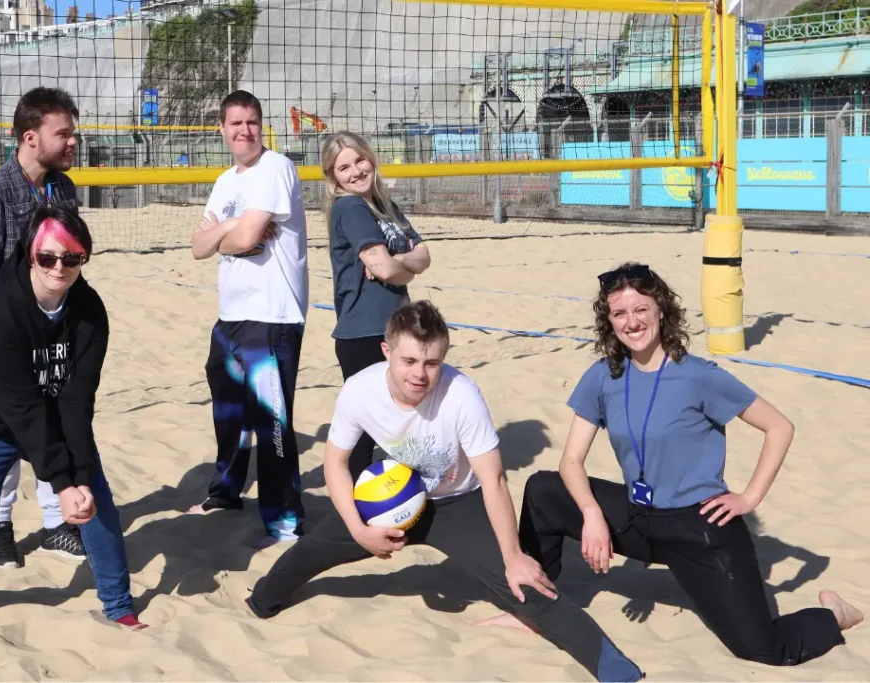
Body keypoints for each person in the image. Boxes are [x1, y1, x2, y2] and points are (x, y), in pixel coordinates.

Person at [479, 262, 863, 666]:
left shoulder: (699, 376)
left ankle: (834, 614)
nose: (631, 322)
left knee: (761, 648)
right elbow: (571, 461)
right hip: (635, 516)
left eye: (640, 309)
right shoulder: (603, 376)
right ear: (609, 321)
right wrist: (591, 514)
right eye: (619, 313)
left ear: (661, 310)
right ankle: (535, 611)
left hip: (697, 527)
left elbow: (779, 428)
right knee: (544, 491)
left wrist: (749, 498)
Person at [245, 301, 645, 683]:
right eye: (409, 361)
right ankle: (260, 602)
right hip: (392, 497)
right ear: (386, 351)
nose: (419, 374)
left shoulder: (461, 394)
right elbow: (335, 463)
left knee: (524, 584)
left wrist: (513, 556)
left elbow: (494, 480)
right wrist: (358, 529)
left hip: (458, 503)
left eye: (432, 363)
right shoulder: (359, 389)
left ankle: (616, 668)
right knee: (308, 553)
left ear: (444, 357)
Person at [0, 207, 145, 632]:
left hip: (51, 419)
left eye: (72, 258)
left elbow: (77, 400)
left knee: (96, 508)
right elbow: (20, 406)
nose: (59, 267)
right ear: (29, 254)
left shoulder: (89, 309)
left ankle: (119, 607)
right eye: (47, 257)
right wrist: (62, 484)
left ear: (84, 258)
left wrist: (77, 480)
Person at [0, 86, 85, 567]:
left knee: (56, 425)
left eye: (73, 132)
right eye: (64, 133)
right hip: (7, 337)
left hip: (57, 330)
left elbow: (72, 263)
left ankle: (57, 524)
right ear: (31, 136)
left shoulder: (65, 189)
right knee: (7, 432)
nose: (73, 141)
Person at [188, 90, 309, 546]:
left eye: (252, 122)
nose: (244, 130)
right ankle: (225, 491)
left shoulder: (275, 167)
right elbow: (199, 247)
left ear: (262, 125)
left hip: (272, 315)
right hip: (231, 315)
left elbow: (247, 239)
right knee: (230, 413)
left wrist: (227, 233)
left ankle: (284, 520)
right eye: (236, 123)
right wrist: (228, 227)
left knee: (271, 421)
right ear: (222, 129)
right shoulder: (226, 181)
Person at [321, 131, 431, 479]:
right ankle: (351, 505)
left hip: (394, 329)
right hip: (364, 334)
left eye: (359, 160)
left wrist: (398, 262)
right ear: (333, 177)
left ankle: (403, 498)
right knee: (364, 434)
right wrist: (400, 267)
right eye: (344, 168)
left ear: (370, 158)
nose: (355, 171)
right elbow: (385, 269)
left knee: (404, 422)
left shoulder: (385, 207)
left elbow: (423, 257)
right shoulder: (350, 207)